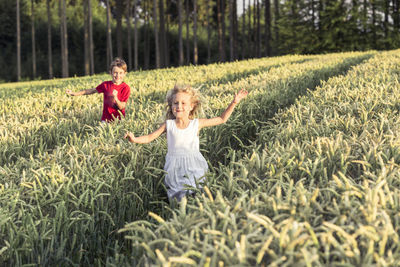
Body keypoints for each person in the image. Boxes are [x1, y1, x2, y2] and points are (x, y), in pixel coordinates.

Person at [124, 84, 248, 202]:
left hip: (194, 165)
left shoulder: (196, 124)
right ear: (171, 106)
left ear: (191, 106)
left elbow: (221, 119)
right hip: (174, 168)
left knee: (198, 193)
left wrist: (234, 102)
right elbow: (150, 137)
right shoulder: (168, 125)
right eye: (176, 103)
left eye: (183, 103)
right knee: (178, 198)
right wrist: (134, 139)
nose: (179, 106)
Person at [66, 57, 131, 122]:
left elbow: (122, 106)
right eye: (115, 72)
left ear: (125, 73)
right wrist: (74, 93)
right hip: (105, 120)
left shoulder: (126, 88)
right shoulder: (105, 85)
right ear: (110, 73)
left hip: (119, 121)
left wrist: (116, 98)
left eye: (120, 73)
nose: (118, 75)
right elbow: (91, 90)